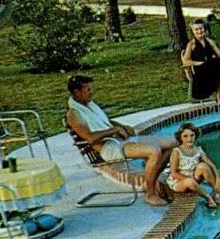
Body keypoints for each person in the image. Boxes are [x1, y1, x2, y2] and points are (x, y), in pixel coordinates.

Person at [65, 74, 178, 206]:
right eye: (88, 89)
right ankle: (150, 194)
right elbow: (90, 138)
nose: (91, 92)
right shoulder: (74, 114)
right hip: (109, 148)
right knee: (154, 151)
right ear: (77, 92)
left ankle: (149, 182)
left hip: (119, 141)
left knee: (173, 143)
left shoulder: (89, 105)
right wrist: (115, 130)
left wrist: (122, 127)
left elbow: (105, 122)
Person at [165, 123, 220, 208]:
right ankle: (208, 197)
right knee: (190, 181)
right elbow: (174, 173)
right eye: (185, 136)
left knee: (203, 166)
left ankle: (216, 190)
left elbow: (210, 164)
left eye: (192, 135)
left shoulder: (198, 150)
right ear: (180, 138)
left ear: (195, 136)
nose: (189, 139)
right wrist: (190, 180)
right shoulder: (177, 151)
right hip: (179, 182)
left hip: (193, 179)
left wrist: (218, 179)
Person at [182, 19, 220, 102]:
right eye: (196, 29)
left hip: (212, 68)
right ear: (193, 31)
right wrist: (199, 63)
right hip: (200, 71)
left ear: (204, 29)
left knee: (216, 61)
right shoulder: (191, 44)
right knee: (216, 63)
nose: (199, 31)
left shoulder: (210, 41)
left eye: (201, 28)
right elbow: (186, 61)